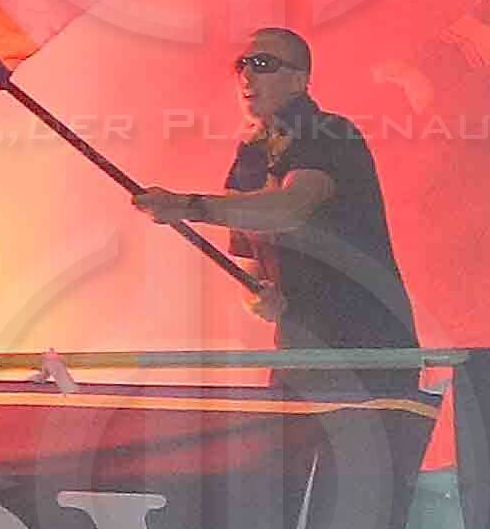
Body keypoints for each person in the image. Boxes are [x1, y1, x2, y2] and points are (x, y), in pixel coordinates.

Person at [129, 28, 424, 389]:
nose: (247, 75)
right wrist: (257, 297)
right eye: (241, 65)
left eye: (263, 64)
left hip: (369, 351)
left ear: (299, 80)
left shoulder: (328, 132)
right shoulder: (248, 161)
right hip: (299, 357)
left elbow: (287, 209)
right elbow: (251, 270)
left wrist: (188, 206)